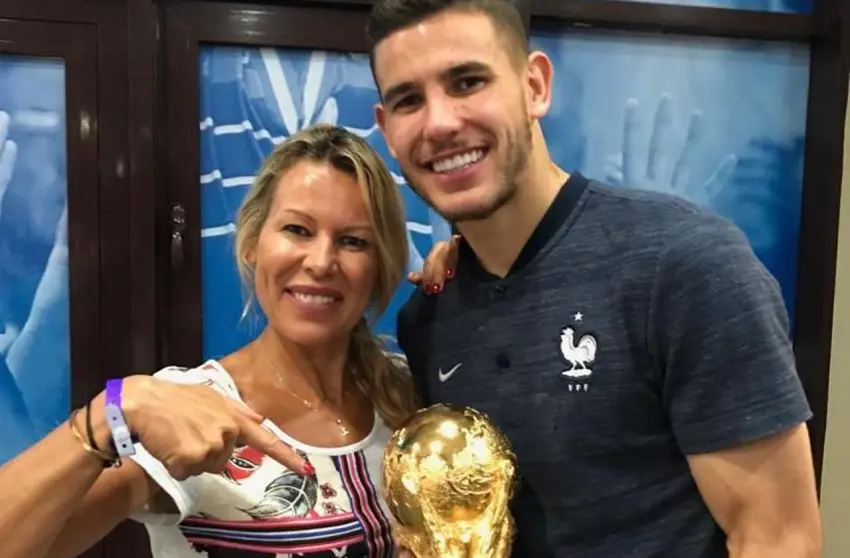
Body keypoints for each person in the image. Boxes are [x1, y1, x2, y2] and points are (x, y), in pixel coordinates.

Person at [367, 0, 822, 556]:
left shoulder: (685, 264)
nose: (440, 122)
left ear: (534, 85)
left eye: (467, 81)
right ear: (388, 131)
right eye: (409, 99)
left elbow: (778, 537)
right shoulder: (430, 316)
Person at [0, 123, 419, 558]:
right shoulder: (190, 408)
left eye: (353, 241)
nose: (320, 261)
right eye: (298, 229)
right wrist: (112, 414)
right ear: (254, 243)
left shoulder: (406, 394)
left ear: (379, 265)